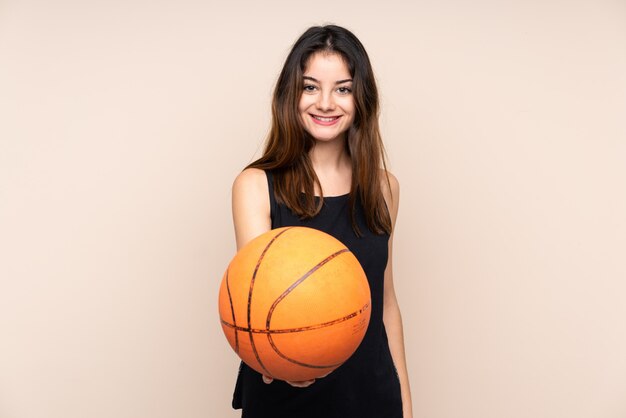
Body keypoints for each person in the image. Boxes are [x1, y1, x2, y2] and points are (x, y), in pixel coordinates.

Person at [230, 24, 412, 418]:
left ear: (361, 98)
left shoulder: (384, 187)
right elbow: (255, 306)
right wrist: (275, 362)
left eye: (342, 88)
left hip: (370, 397)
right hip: (286, 399)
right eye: (310, 87)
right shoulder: (255, 185)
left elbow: (386, 304)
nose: (326, 103)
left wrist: (406, 405)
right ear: (290, 94)